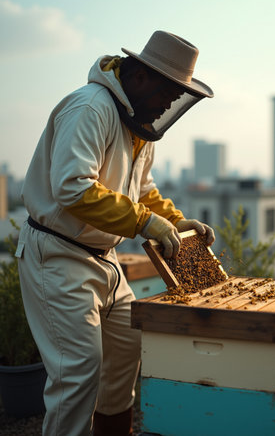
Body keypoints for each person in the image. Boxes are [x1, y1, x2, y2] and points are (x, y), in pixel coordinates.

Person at [15, 30, 215, 436]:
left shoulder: (138, 124)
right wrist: (143, 222)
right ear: (140, 76)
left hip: (107, 261)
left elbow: (143, 191)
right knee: (77, 374)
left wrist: (174, 221)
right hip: (58, 256)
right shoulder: (90, 108)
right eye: (167, 94)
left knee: (125, 355)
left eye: (176, 99)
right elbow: (73, 187)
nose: (168, 105)